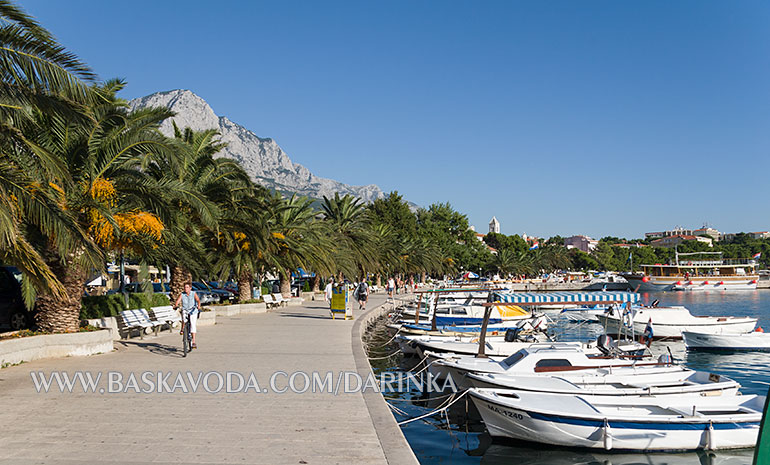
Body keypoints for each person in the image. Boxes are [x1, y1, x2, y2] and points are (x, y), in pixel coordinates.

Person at [174, 282, 201, 349]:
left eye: (187, 287)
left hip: (193, 310)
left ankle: (194, 342)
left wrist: (198, 306)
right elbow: (178, 301)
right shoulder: (182, 294)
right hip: (185, 309)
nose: (186, 289)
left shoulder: (193, 293)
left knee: (193, 324)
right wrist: (176, 305)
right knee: (184, 318)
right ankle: (183, 329)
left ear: (190, 288)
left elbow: (198, 300)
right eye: (185, 287)